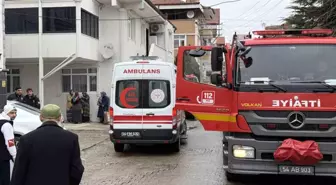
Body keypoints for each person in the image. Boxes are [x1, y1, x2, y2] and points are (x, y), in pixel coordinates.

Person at [10, 104, 84, 185]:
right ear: (59, 118)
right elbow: (77, 169)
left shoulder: (26, 139)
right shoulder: (71, 138)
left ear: (41, 117)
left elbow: (19, 171)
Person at [0, 105, 17, 185]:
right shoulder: (7, 125)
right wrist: (14, 155)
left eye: (15, 113)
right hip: (5, 158)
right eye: (12, 113)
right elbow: (10, 143)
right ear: (7, 113)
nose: (14, 115)